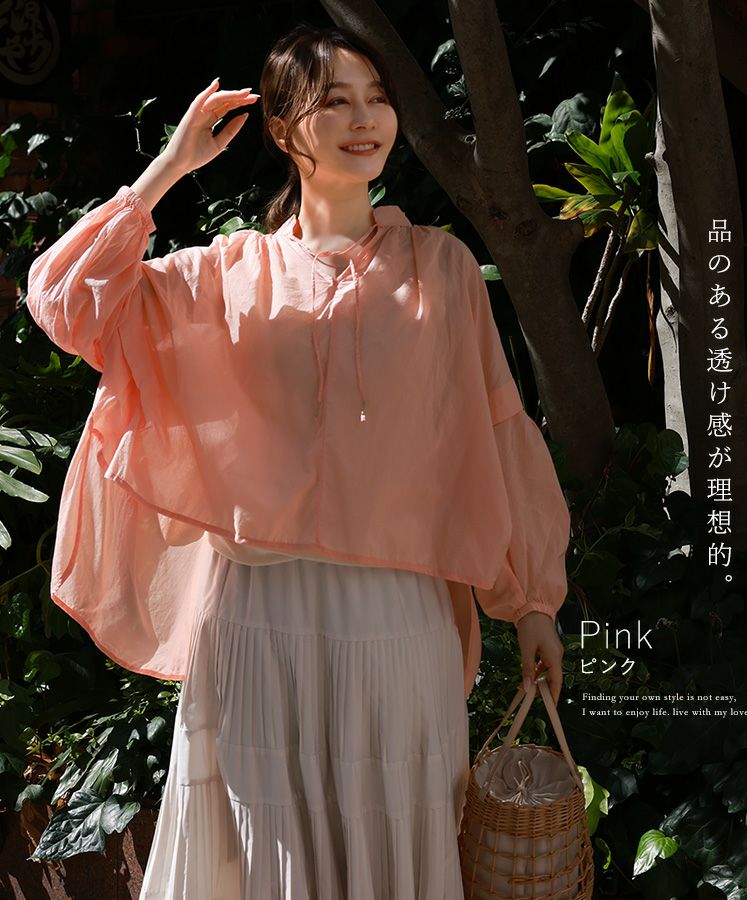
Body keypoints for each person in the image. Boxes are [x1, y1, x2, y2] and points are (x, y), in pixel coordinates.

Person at [25, 22, 570, 900]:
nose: (366, 120)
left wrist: (532, 599)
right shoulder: (225, 276)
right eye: (336, 102)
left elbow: (496, 430)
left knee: (395, 839)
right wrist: (169, 168)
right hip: (257, 618)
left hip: (397, 618)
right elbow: (64, 301)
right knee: (261, 853)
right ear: (283, 130)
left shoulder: (441, 270)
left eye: (378, 99)